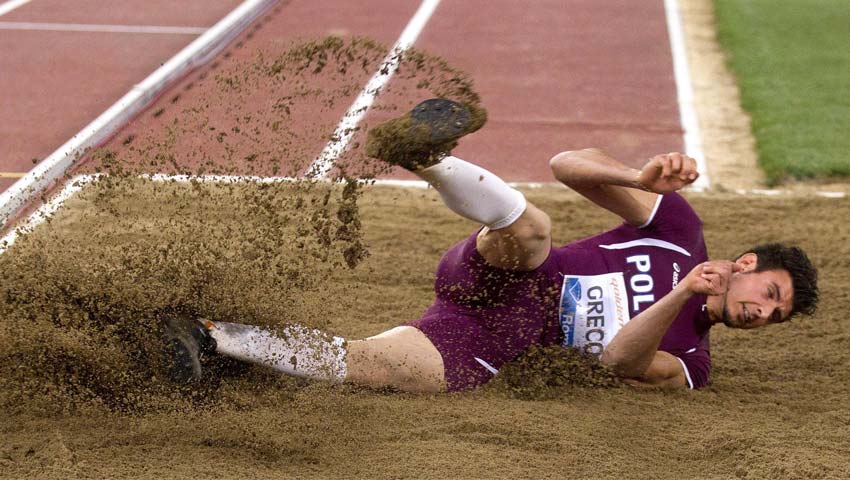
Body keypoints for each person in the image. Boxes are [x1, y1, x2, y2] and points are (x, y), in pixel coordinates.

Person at [164, 98, 819, 392]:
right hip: (511, 274)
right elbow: (568, 163)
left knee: (369, 366)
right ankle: (424, 157)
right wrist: (633, 177)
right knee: (532, 228)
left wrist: (682, 295)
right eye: (771, 294)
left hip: (490, 343)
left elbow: (621, 362)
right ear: (746, 265)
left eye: (775, 315)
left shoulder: (692, 364)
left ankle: (210, 338)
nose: (763, 312)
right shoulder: (678, 231)